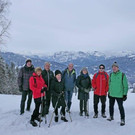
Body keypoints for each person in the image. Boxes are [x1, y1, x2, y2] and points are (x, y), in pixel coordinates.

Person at [107, 62, 128, 126]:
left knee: (120, 107)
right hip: (112, 94)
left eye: (115, 67)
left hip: (119, 95)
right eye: (113, 67)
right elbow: (109, 84)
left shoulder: (122, 75)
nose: (114, 68)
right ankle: (111, 116)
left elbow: (125, 86)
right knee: (111, 106)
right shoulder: (111, 75)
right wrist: (109, 92)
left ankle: (122, 119)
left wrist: (124, 94)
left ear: (118, 68)